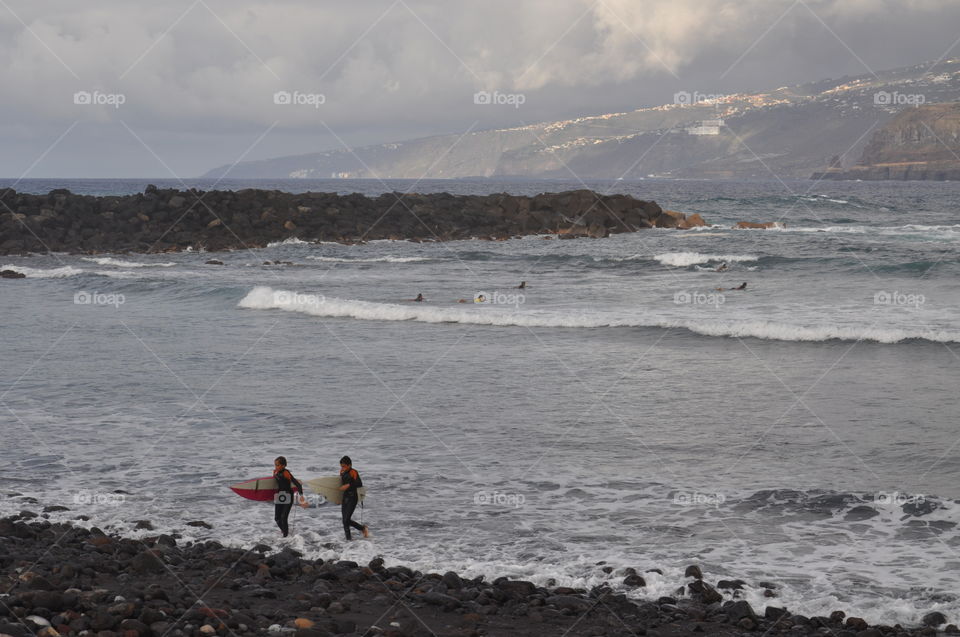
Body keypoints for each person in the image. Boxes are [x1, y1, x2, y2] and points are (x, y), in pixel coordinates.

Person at [273, 456, 307, 537]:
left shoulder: (286, 473)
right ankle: (285, 532)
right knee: (277, 518)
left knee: (284, 518)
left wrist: (301, 496)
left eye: (277, 465)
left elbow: (296, 484)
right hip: (279, 495)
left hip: (288, 495)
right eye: (275, 465)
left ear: (283, 466)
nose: (276, 467)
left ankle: (285, 536)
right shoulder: (275, 472)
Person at [338, 455, 370, 540]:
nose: (343, 468)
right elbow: (340, 485)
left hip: (353, 497)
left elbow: (359, 483)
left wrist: (348, 485)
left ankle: (362, 528)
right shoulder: (341, 472)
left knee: (346, 520)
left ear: (350, 465)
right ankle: (348, 540)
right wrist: (338, 498)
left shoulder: (353, 472)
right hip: (345, 497)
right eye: (341, 466)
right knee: (344, 521)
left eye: (344, 466)